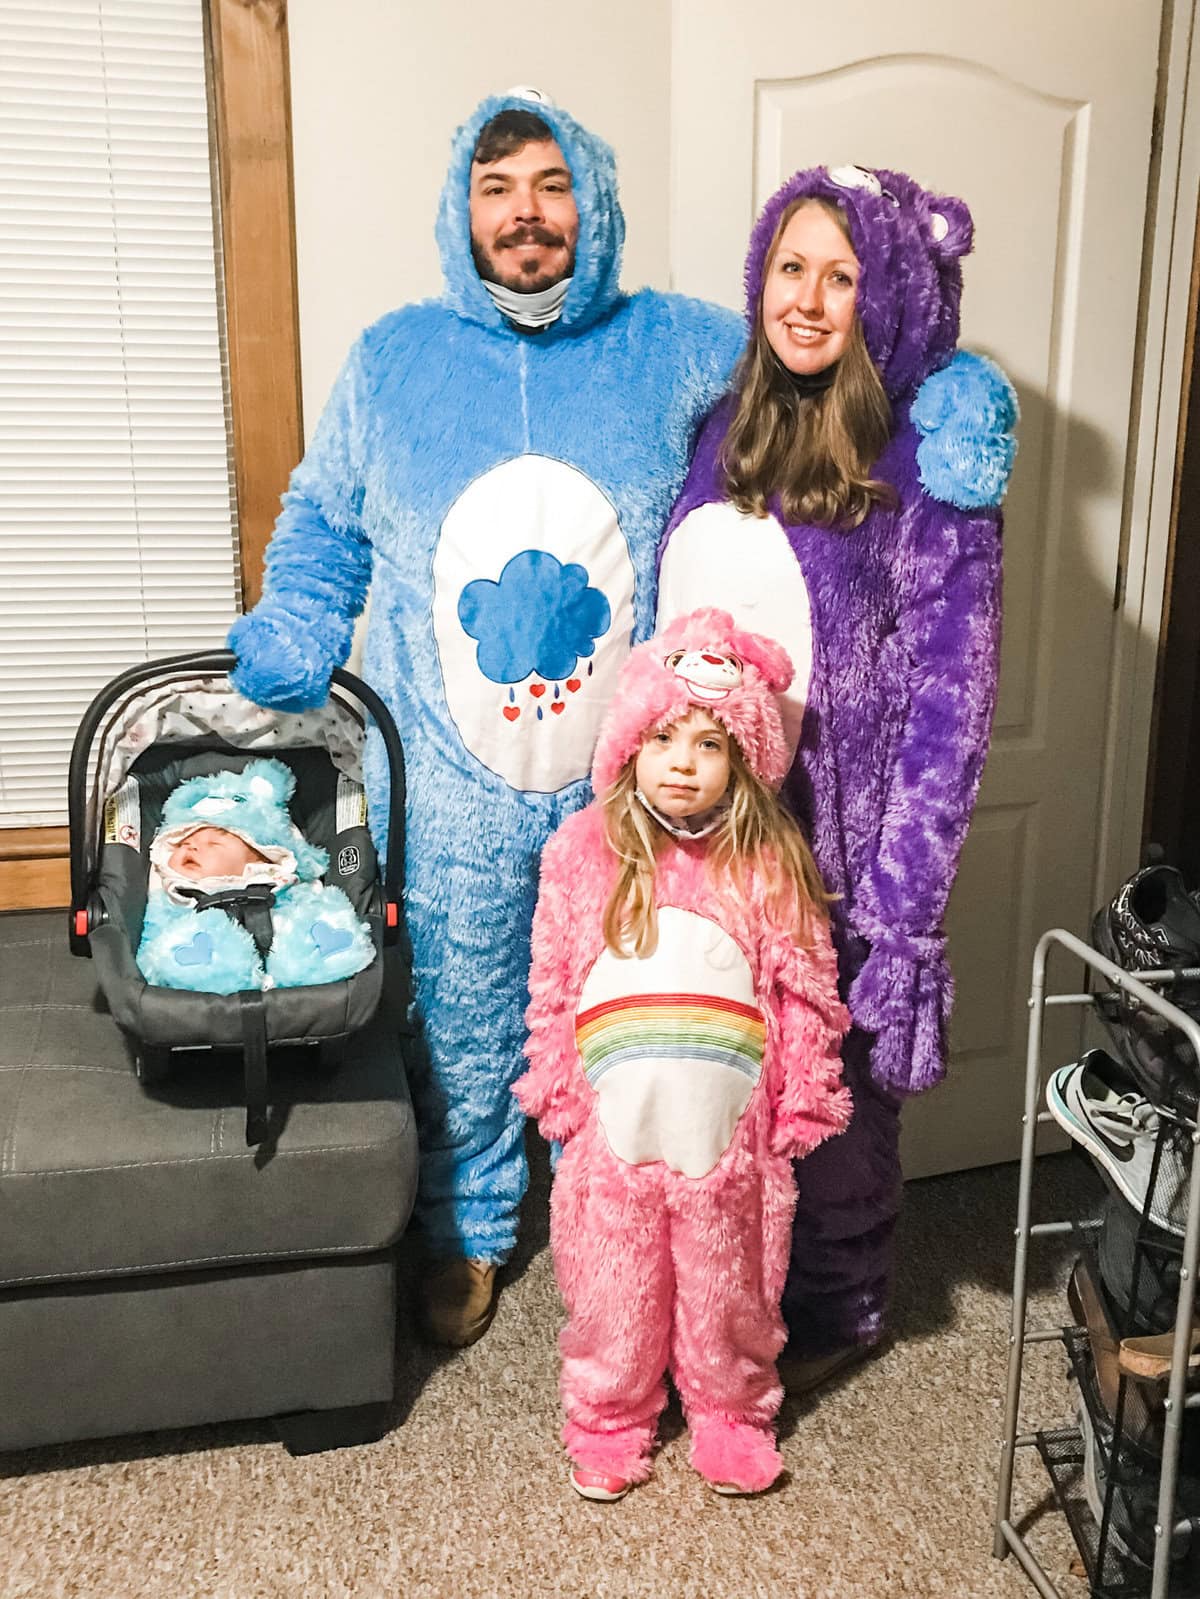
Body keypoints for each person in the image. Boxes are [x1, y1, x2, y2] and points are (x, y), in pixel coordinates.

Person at [227, 86, 1015, 1348]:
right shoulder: (393, 361)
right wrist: (297, 626)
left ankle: (668, 1236)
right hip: (463, 780)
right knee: (469, 1003)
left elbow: (835, 345)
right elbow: (326, 516)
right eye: (498, 191)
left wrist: (959, 387)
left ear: (592, 203)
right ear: (460, 210)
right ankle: (471, 1224)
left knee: (673, 1024)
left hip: (654, 796)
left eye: (551, 187)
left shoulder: (677, 344)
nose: (526, 216)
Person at [657, 164, 1014, 1388]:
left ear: (890, 295)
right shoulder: (723, 427)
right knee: (729, 1075)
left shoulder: (925, 462)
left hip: (842, 854)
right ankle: (725, 1292)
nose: (807, 300)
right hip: (715, 832)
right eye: (790, 268)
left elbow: (952, 705)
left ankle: (840, 1305)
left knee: (842, 1105)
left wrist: (904, 908)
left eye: (842, 276)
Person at [514, 609, 850, 1499]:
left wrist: (805, 1089)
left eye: (708, 743)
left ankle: (731, 1411)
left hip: (730, 1134)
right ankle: (609, 1413)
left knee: (732, 1284)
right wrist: (554, 1079)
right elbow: (553, 975)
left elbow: (804, 982)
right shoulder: (584, 851)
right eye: (664, 736)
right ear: (631, 743)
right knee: (610, 1286)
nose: (683, 761)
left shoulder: (769, 862)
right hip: (611, 1131)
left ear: (742, 759)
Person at [137, 758, 374, 993]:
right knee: (184, 946)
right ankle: (205, 969)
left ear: (260, 855)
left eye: (213, 843)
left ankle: (320, 956)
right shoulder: (172, 894)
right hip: (202, 939)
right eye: (183, 843)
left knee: (314, 924)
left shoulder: (281, 879)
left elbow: (312, 900)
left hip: (285, 945)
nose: (191, 847)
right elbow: (153, 937)